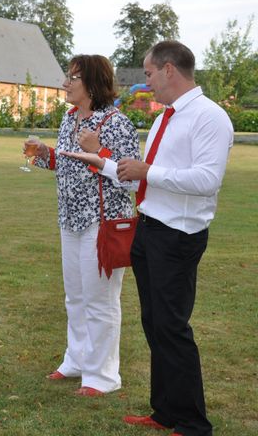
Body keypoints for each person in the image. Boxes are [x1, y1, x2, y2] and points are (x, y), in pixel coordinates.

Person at [117, 41, 232, 436]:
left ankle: (194, 423)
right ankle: (165, 411)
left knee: (172, 327)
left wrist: (146, 171)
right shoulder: (168, 116)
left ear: (169, 70)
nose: (145, 82)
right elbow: (156, 174)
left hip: (178, 236)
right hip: (149, 228)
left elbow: (206, 180)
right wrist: (121, 168)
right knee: (155, 324)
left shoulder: (209, 117)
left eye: (148, 74)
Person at [30, 54, 140, 396]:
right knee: (75, 297)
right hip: (70, 220)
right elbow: (68, 167)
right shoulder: (69, 119)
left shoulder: (117, 123)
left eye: (72, 77)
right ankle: (76, 361)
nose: (65, 83)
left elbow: (130, 178)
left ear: (91, 83)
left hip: (102, 223)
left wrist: (100, 150)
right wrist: (43, 153)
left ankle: (102, 376)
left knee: (100, 300)